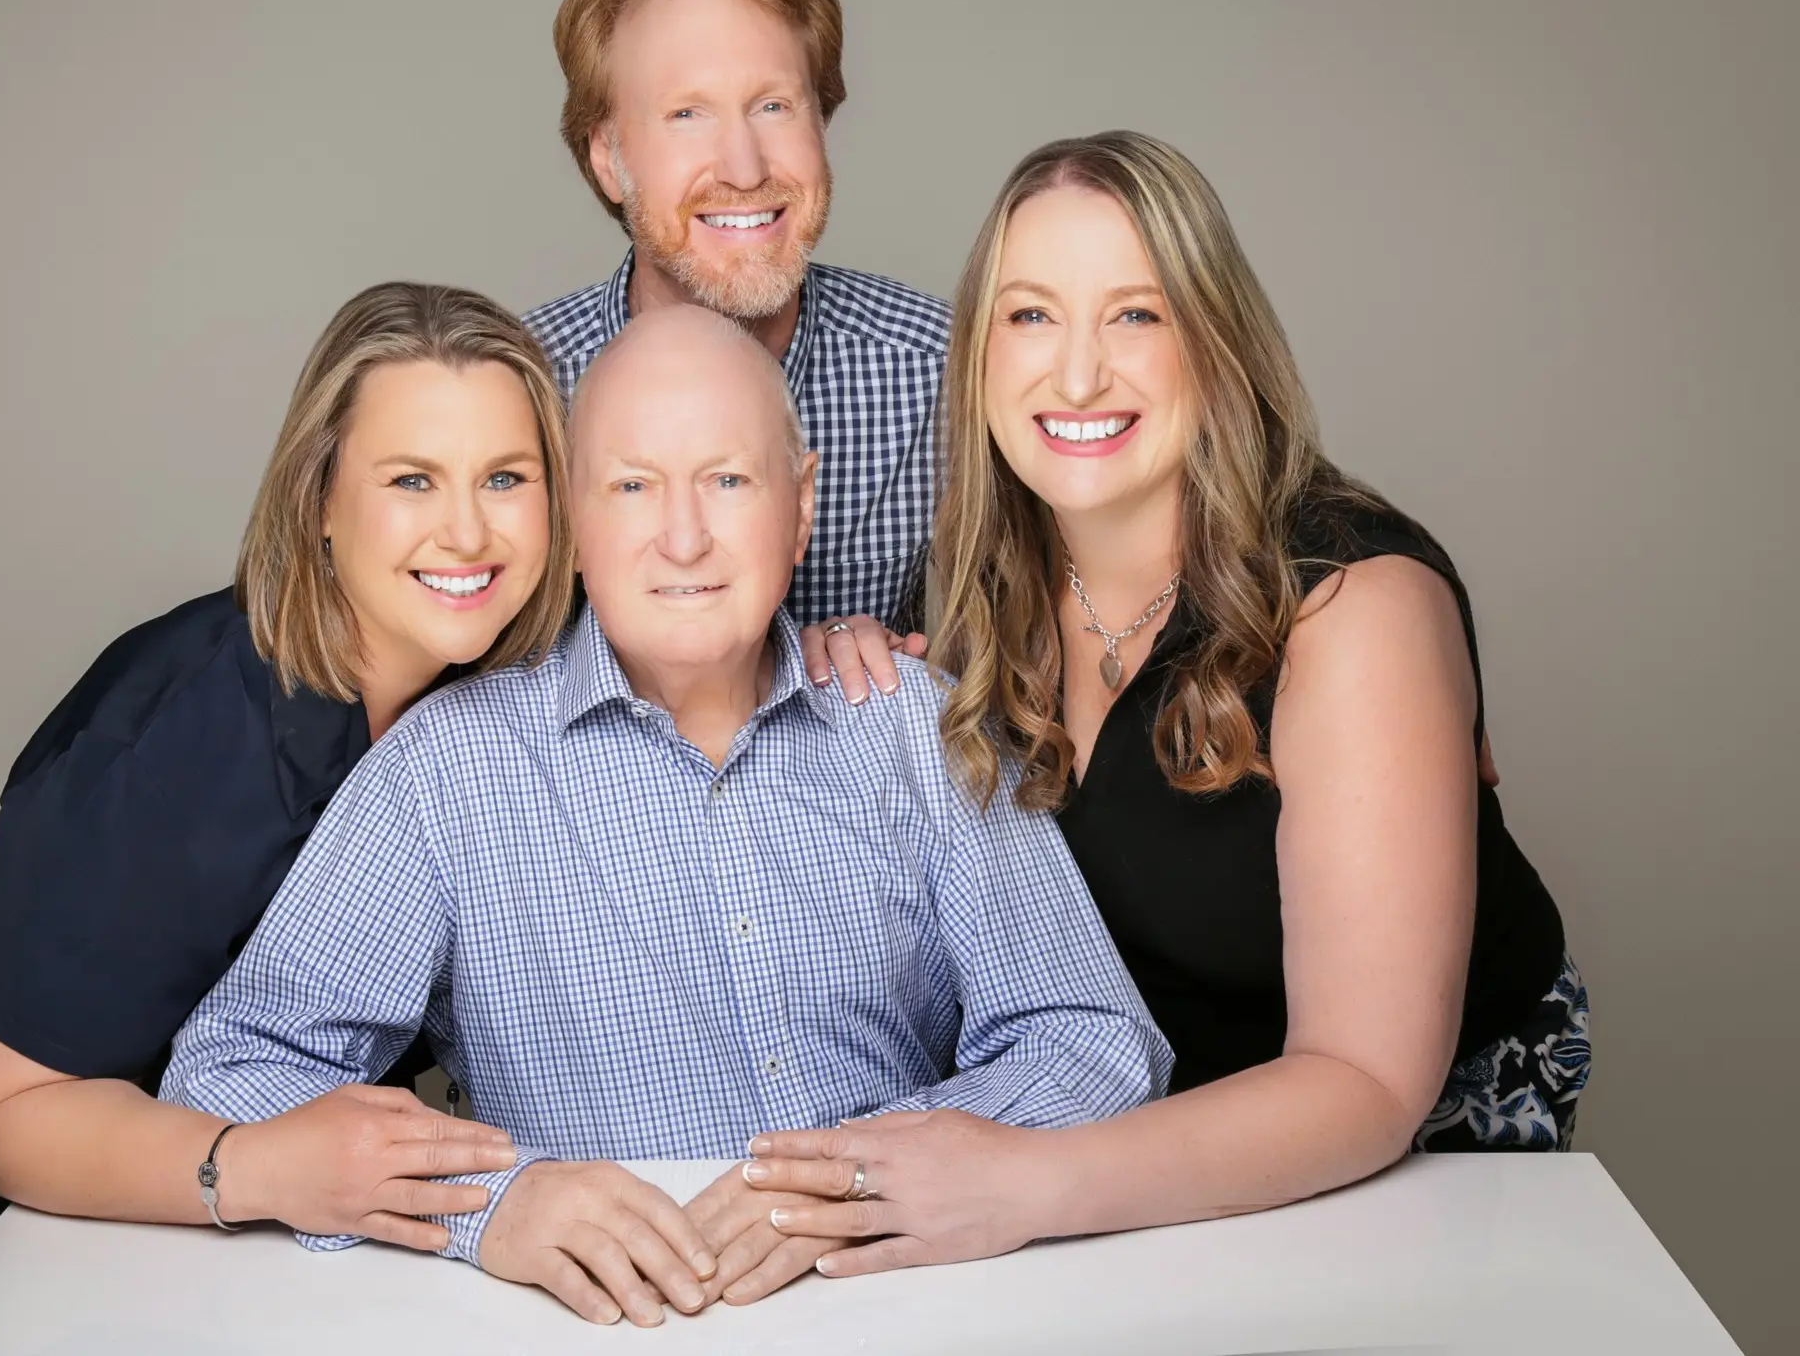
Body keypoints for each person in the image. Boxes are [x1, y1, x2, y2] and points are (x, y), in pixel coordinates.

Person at [160, 304, 1170, 1327]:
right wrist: (492, 1202)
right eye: (633, 486)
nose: (683, 539)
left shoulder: (913, 727)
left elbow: (1092, 1038)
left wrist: (866, 1172)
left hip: (913, 1310)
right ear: (573, 522)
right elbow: (229, 1072)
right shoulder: (446, 772)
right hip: (594, 1329)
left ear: (801, 507)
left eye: (727, 481)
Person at [743, 132, 1590, 1273]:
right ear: (979, 352)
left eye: (1135, 315)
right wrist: (842, 664)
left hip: (1417, 1159)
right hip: (1128, 1141)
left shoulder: (1355, 608)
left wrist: (1020, 1184)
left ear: (1216, 340)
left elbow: (1369, 1079)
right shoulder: (981, 578)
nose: (1077, 376)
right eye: (1030, 316)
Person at [0, 284, 573, 1324]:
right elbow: (5, 1113)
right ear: (319, 501)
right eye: (411, 479)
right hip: (74, 1174)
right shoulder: (167, 736)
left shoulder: (520, 672)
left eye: (505, 478)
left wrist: (828, 645)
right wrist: (259, 1166)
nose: (467, 531)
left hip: (305, 1206)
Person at [524, 0, 949, 650]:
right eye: (687, 114)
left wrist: (905, 673)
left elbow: (1031, 649)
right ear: (607, 159)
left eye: (774, 106)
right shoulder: (522, 391)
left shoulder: (943, 373)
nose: (745, 170)